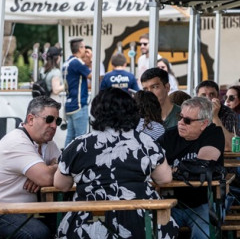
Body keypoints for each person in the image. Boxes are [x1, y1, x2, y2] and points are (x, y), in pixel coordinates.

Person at [54, 88, 177, 239]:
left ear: (96, 111)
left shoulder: (80, 144)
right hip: (141, 221)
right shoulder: (145, 142)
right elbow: (164, 178)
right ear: (132, 112)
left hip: (89, 222)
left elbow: (61, 185)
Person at [0, 96, 63, 239]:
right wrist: (48, 171)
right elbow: (47, 177)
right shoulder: (17, 142)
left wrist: (50, 166)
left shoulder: (48, 144)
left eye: (57, 121)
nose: (54, 126)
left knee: (66, 222)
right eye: (49, 119)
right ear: (30, 119)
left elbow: (66, 167)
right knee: (38, 234)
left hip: (19, 210)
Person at [159, 97, 225, 239]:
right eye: (180, 117)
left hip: (204, 203)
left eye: (187, 120)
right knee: (153, 231)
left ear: (204, 124)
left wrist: (172, 170)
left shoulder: (213, 133)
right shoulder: (169, 136)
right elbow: (152, 164)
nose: (181, 123)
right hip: (172, 203)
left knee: (204, 234)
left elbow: (202, 165)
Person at [196, 79, 239, 148]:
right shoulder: (192, 112)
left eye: (212, 94)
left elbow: (229, 145)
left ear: (218, 96)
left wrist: (215, 116)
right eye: (203, 95)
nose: (208, 98)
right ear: (197, 97)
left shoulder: (228, 113)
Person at [63, 38, 91, 144]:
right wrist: (91, 58)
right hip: (79, 104)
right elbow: (92, 76)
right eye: (84, 47)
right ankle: (78, 160)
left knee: (70, 137)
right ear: (80, 48)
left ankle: (65, 159)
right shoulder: (77, 62)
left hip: (70, 104)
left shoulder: (67, 62)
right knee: (81, 138)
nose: (85, 49)